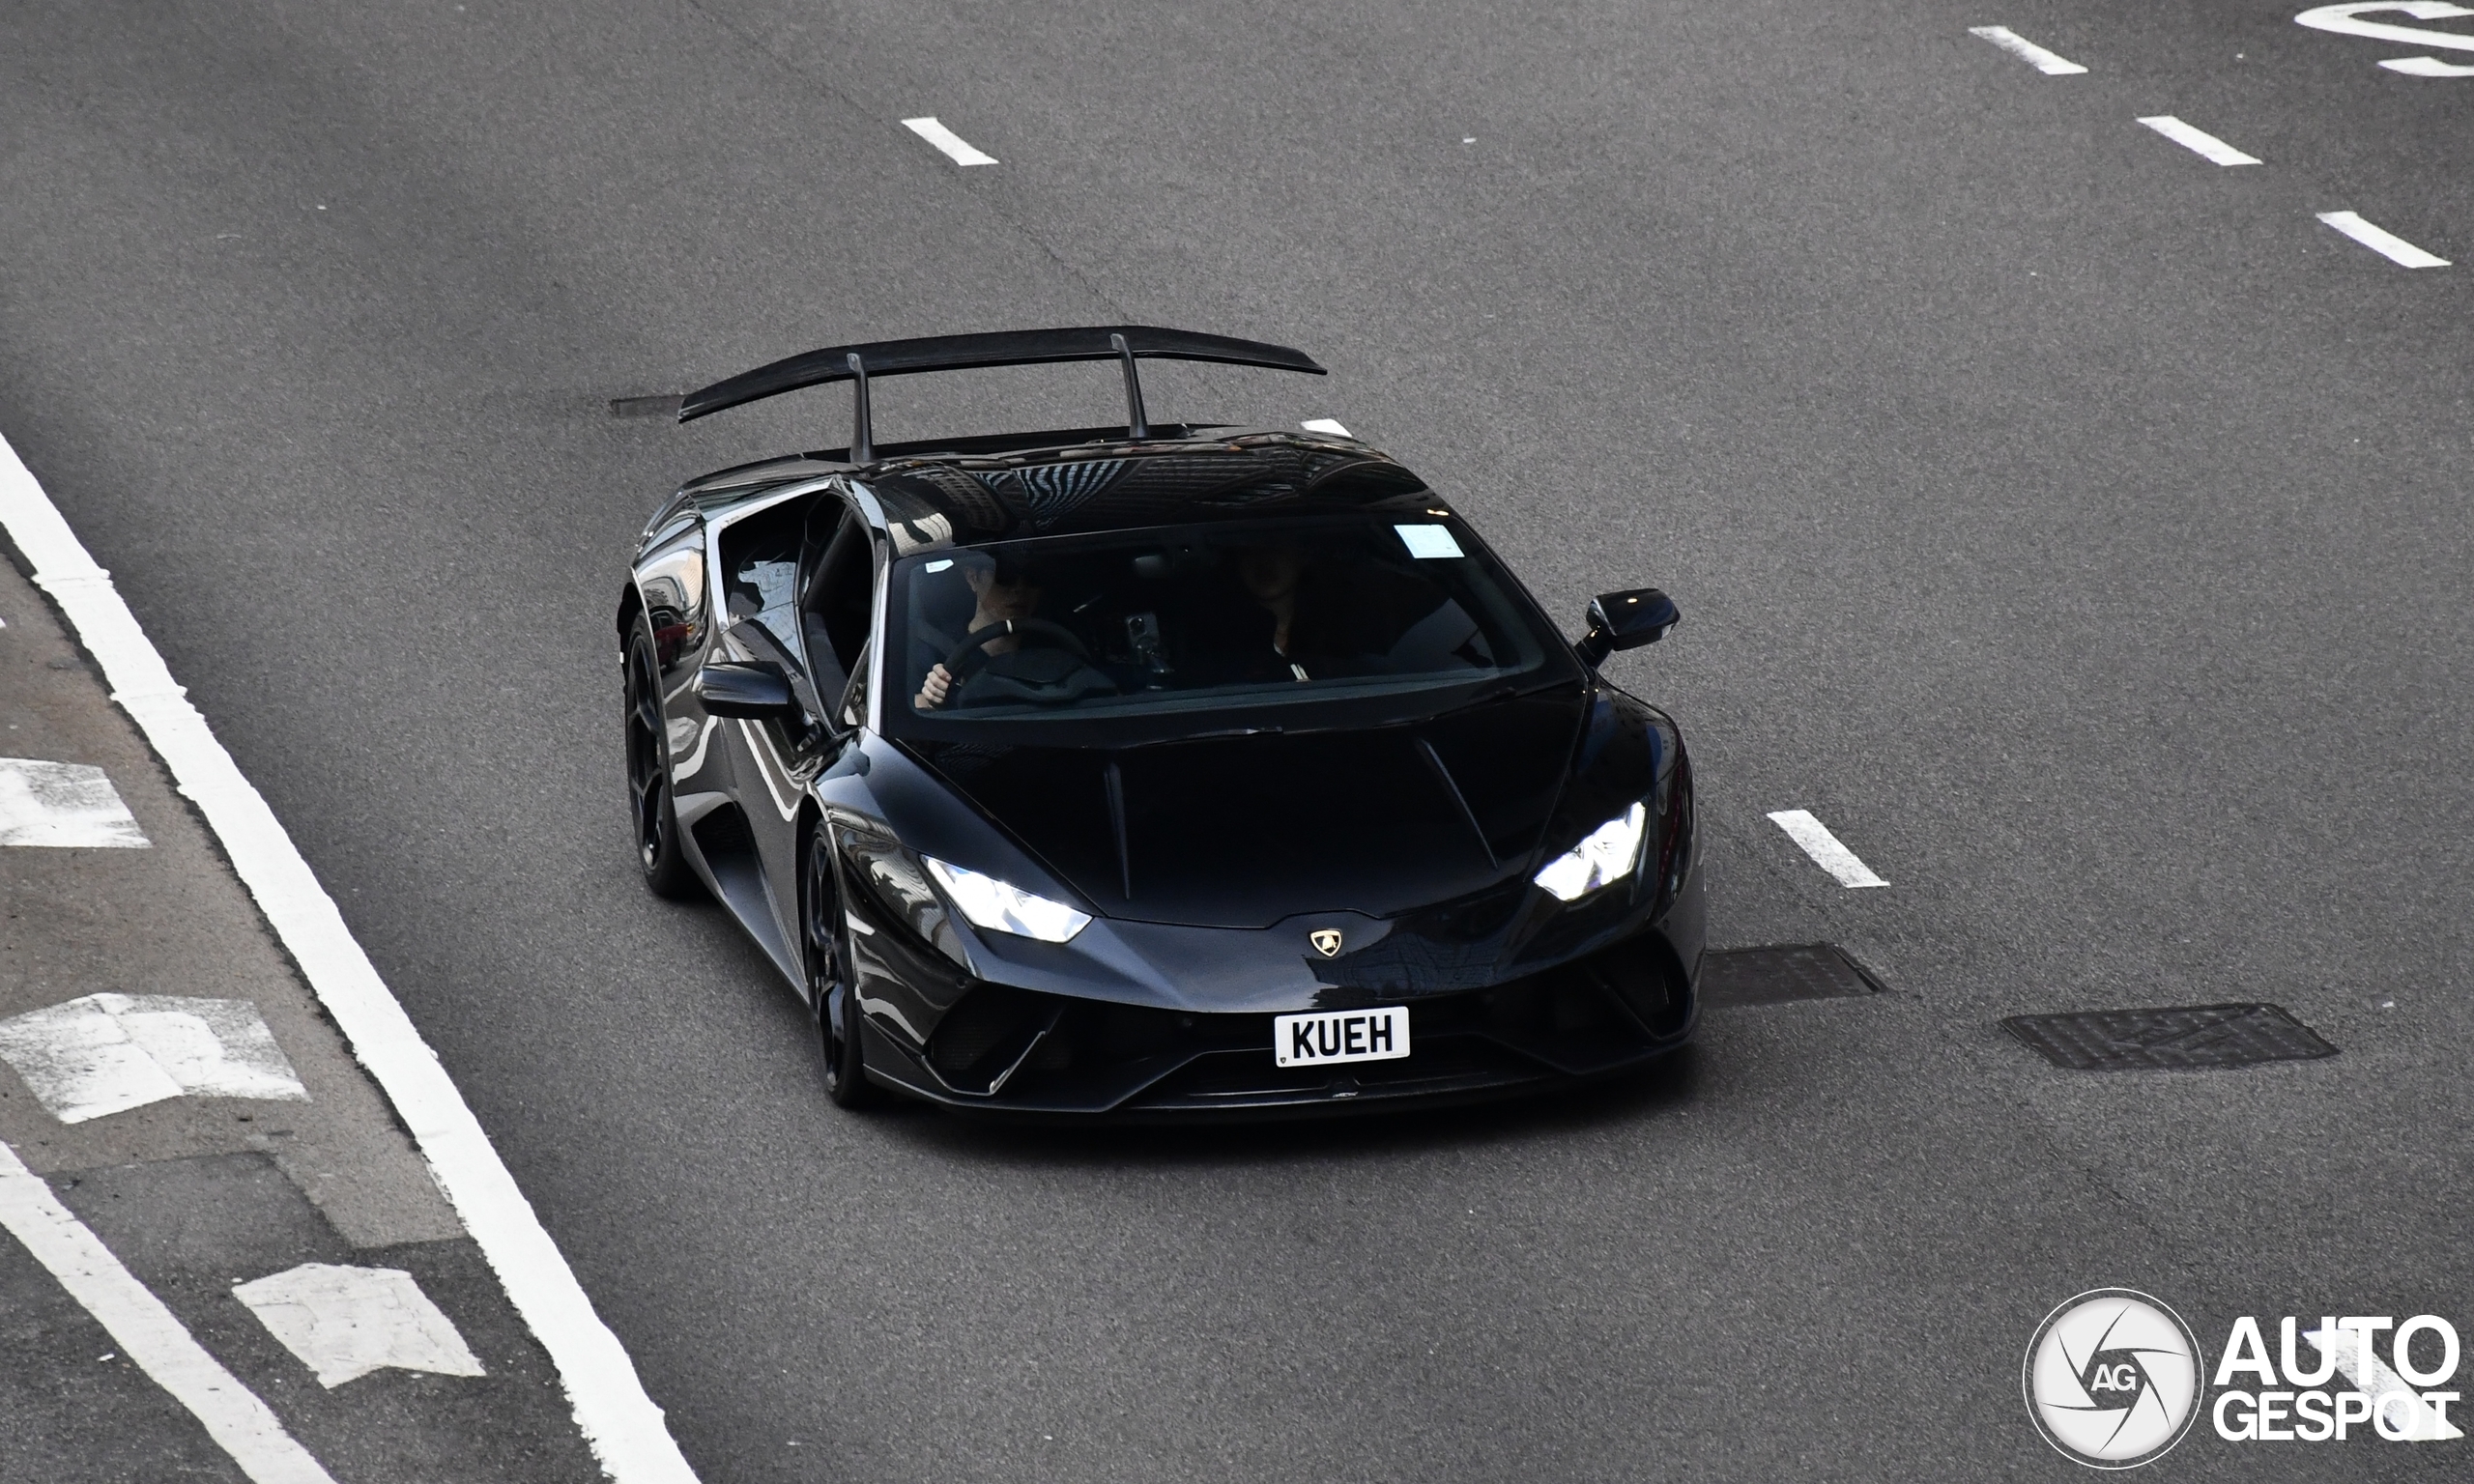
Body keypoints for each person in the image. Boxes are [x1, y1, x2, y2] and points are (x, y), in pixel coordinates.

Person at [913, 559, 1042, 709]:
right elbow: (903, 709)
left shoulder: (1055, 649)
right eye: (1005, 577)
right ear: (972, 578)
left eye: (1033, 579)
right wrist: (930, 699)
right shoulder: (931, 652)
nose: (1019, 588)